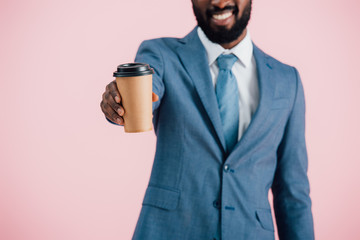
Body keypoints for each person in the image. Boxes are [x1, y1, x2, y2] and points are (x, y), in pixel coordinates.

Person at [100, 0, 315, 239]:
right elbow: (146, 90)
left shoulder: (287, 80)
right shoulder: (161, 54)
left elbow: (292, 193)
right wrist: (122, 102)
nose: (220, 2)